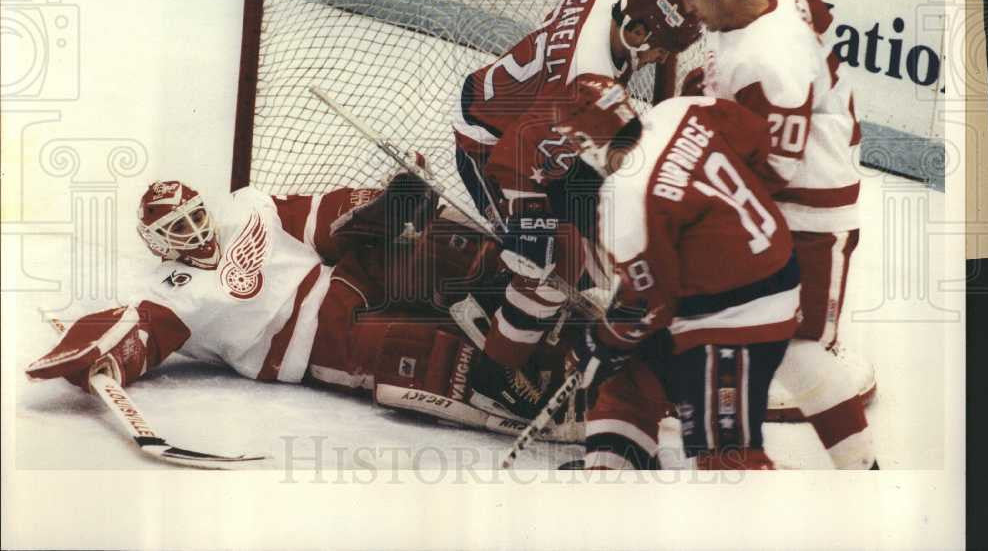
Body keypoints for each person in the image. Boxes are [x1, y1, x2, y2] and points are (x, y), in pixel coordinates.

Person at [26, 170, 580, 438]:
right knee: (414, 347)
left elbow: (323, 220)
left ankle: (538, 295)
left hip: (345, 280)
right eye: (179, 227)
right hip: (316, 341)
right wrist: (103, 358)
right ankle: (507, 384)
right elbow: (137, 335)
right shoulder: (172, 293)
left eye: (196, 214)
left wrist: (374, 211)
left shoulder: (249, 210)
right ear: (159, 243)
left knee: (438, 245)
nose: (196, 230)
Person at [451, 0, 701, 406]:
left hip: (539, 125)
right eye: (654, 49)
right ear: (636, 29)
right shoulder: (585, 77)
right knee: (557, 263)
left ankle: (496, 296)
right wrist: (531, 223)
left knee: (599, 235)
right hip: (489, 143)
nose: (652, 61)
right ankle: (494, 375)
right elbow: (515, 160)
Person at [670, 0, 876, 469]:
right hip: (786, 191)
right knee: (752, 323)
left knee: (799, 346)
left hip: (812, 209)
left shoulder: (772, 62)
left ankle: (866, 476)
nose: (689, 11)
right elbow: (818, 17)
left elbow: (773, 172)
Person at [555, 75, 800, 470]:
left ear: (587, 144)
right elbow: (755, 135)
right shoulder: (678, 110)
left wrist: (604, 341)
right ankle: (610, 472)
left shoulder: (622, 197)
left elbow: (653, 302)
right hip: (774, 265)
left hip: (734, 316)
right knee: (631, 379)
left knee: (724, 457)